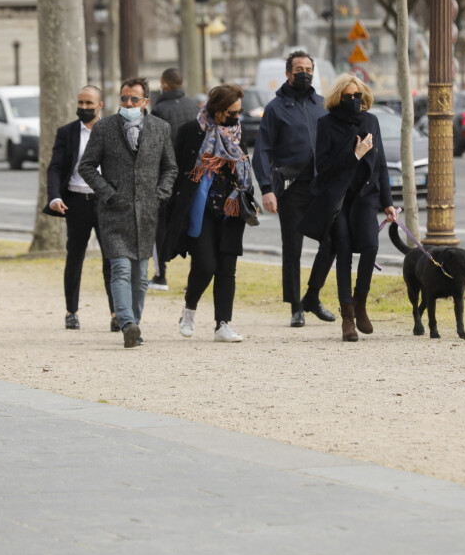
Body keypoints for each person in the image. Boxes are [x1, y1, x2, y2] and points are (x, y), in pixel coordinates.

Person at [79, 77, 178, 348]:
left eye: (134, 99)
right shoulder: (105, 128)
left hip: (146, 212)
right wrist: (108, 193)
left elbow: (170, 168)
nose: (128, 103)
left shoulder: (160, 128)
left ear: (146, 101)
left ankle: (134, 323)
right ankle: (126, 324)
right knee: (120, 269)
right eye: (124, 98)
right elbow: (86, 166)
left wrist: (161, 193)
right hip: (114, 211)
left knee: (141, 276)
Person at [299, 74, 396, 342]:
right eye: (348, 96)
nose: (353, 100)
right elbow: (325, 167)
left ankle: (360, 300)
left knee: (371, 246)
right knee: (342, 250)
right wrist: (354, 154)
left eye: (357, 96)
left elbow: (382, 164)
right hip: (338, 198)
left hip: (366, 197)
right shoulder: (326, 124)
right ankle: (347, 316)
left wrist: (387, 202)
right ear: (338, 98)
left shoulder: (371, 121)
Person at [164, 84, 254, 343]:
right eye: (231, 111)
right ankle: (189, 311)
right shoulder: (191, 131)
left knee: (227, 268)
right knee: (205, 264)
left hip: (232, 207)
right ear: (217, 109)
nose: (237, 116)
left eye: (239, 110)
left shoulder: (238, 131)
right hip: (199, 207)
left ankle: (222, 324)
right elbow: (178, 169)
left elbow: (244, 164)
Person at [252, 50, 336, 328]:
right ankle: (296, 307)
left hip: (321, 188)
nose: (304, 73)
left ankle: (312, 296)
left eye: (308, 68)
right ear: (288, 74)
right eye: (298, 68)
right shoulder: (275, 108)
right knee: (293, 249)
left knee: (333, 240)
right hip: (290, 189)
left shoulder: (322, 105)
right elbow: (261, 152)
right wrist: (266, 189)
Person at [44, 85, 117, 331]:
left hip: (105, 202)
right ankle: (71, 312)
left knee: (112, 259)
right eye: (81, 103)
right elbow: (54, 167)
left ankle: (116, 313)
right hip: (75, 202)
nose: (84, 108)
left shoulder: (113, 131)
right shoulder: (66, 133)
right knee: (74, 258)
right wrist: (54, 196)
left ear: (100, 106)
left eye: (89, 103)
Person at [148, 68, 200, 292]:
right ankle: (195, 277)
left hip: (167, 172)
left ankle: (161, 275)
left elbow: (156, 142)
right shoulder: (194, 106)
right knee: (194, 222)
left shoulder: (159, 109)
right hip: (192, 173)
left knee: (160, 224)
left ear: (164, 84)